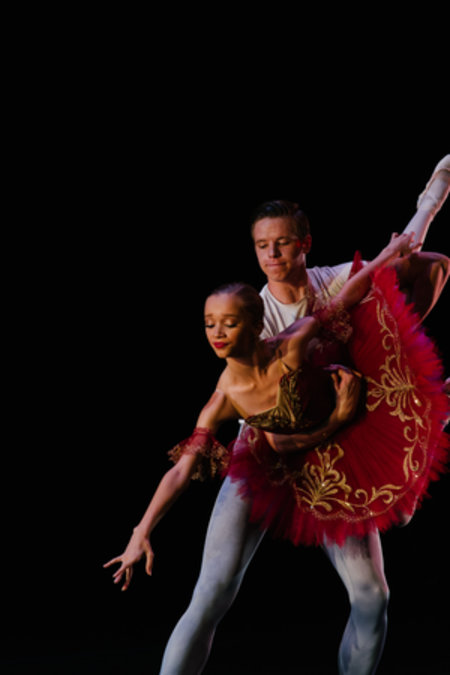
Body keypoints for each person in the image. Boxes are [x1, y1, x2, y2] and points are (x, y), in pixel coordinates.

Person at [105, 156, 450, 675]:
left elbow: (379, 278)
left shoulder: (315, 302)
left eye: (283, 243)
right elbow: (239, 449)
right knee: (212, 591)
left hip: (331, 453)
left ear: (304, 243)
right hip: (270, 449)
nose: (272, 255)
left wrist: (425, 212)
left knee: (373, 595)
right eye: (262, 246)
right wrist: (141, 530)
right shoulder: (250, 331)